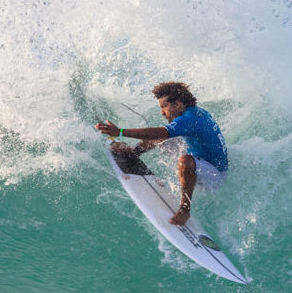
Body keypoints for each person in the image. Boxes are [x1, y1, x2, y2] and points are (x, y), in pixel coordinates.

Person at [96, 82, 228, 226]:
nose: (162, 112)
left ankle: (184, 209)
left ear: (177, 104)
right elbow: (161, 135)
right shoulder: (194, 112)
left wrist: (120, 132)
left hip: (214, 176)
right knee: (164, 137)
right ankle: (134, 153)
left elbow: (159, 132)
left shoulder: (190, 119)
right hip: (203, 160)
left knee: (184, 159)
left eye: (164, 107)